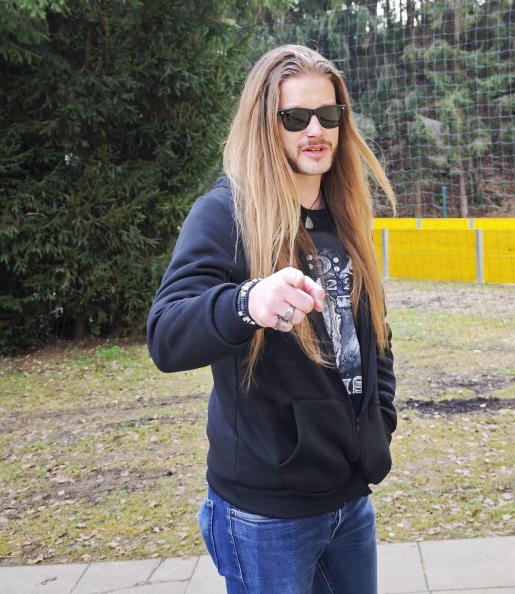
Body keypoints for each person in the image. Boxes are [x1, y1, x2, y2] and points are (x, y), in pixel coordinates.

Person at [146, 44, 397, 594]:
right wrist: (247, 303)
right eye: (295, 117)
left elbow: (374, 335)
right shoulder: (227, 213)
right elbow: (165, 334)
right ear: (267, 124)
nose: (316, 130)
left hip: (350, 500)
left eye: (328, 114)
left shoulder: (345, 214)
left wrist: (379, 421)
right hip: (267, 517)